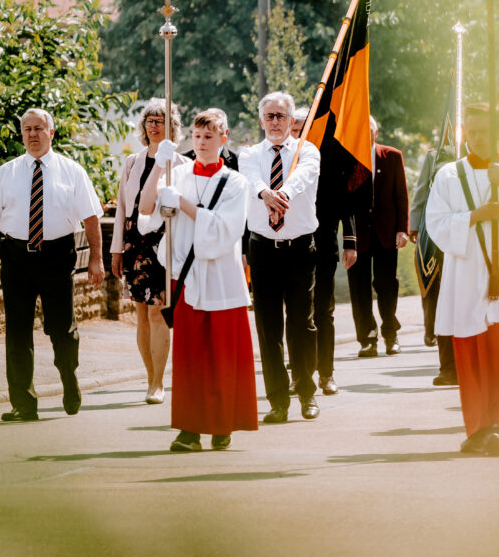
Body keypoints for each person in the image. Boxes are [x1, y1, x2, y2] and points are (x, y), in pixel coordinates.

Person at [426, 102, 499, 456]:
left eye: (483, 131)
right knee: (472, 356)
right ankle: (478, 428)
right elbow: (436, 224)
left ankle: (498, 426)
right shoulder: (449, 176)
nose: (476, 138)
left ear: (498, 132)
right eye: (471, 131)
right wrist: (475, 216)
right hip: (466, 272)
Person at [138, 108, 258, 451]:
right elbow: (146, 209)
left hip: (222, 279)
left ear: (224, 138)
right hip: (187, 278)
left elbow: (223, 231)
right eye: (197, 137)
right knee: (190, 357)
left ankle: (222, 424)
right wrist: (160, 165)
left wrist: (186, 206)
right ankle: (190, 429)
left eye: (209, 137)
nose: (202, 143)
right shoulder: (180, 174)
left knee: (222, 355)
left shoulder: (236, 182)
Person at [0, 108, 104, 421]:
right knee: (17, 332)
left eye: (38, 128)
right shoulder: (5, 173)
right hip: (16, 257)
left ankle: (68, 377)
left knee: (61, 329)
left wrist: (97, 260)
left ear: (51, 132)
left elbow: (91, 218)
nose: (32, 134)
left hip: (56, 256)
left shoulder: (71, 171)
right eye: (27, 129)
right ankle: (23, 403)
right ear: (21, 134)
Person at [240, 91, 321, 423]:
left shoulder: (308, 150)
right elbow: (251, 178)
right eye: (270, 116)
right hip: (262, 250)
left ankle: (306, 392)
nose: (275, 122)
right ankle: (277, 401)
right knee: (268, 327)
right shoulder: (249, 154)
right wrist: (265, 193)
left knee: (302, 324)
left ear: (292, 121)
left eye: (281, 116)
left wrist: (283, 193)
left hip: (299, 248)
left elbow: (303, 177)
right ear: (261, 120)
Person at [111, 99, 186, 404]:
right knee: (140, 313)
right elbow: (121, 210)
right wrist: (116, 250)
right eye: (150, 121)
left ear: (172, 126)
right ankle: (149, 375)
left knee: (158, 312)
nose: (154, 126)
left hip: (163, 242)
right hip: (133, 242)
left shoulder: (180, 164)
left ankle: (159, 382)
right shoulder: (132, 163)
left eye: (161, 121)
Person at [290, 105, 356, 396]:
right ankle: (298, 374)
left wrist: (351, 241)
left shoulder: (327, 160)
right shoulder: (280, 162)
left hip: (324, 244)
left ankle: (326, 374)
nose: (296, 135)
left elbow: (346, 201)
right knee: (295, 313)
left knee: (323, 312)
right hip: (292, 247)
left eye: (302, 129)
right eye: (293, 129)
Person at [347, 117, 409, 357]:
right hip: (357, 236)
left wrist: (402, 229)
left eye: (370, 129)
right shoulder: (348, 158)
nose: (366, 133)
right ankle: (367, 339)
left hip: (386, 232)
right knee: (359, 289)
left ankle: (390, 334)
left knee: (387, 286)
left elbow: (401, 195)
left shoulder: (391, 156)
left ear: (376, 130)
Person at [409, 142, 457, 385]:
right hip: (436, 238)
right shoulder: (433, 156)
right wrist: (414, 225)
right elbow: (422, 192)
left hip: (467, 239)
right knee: (438, 299)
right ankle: (447, 367)